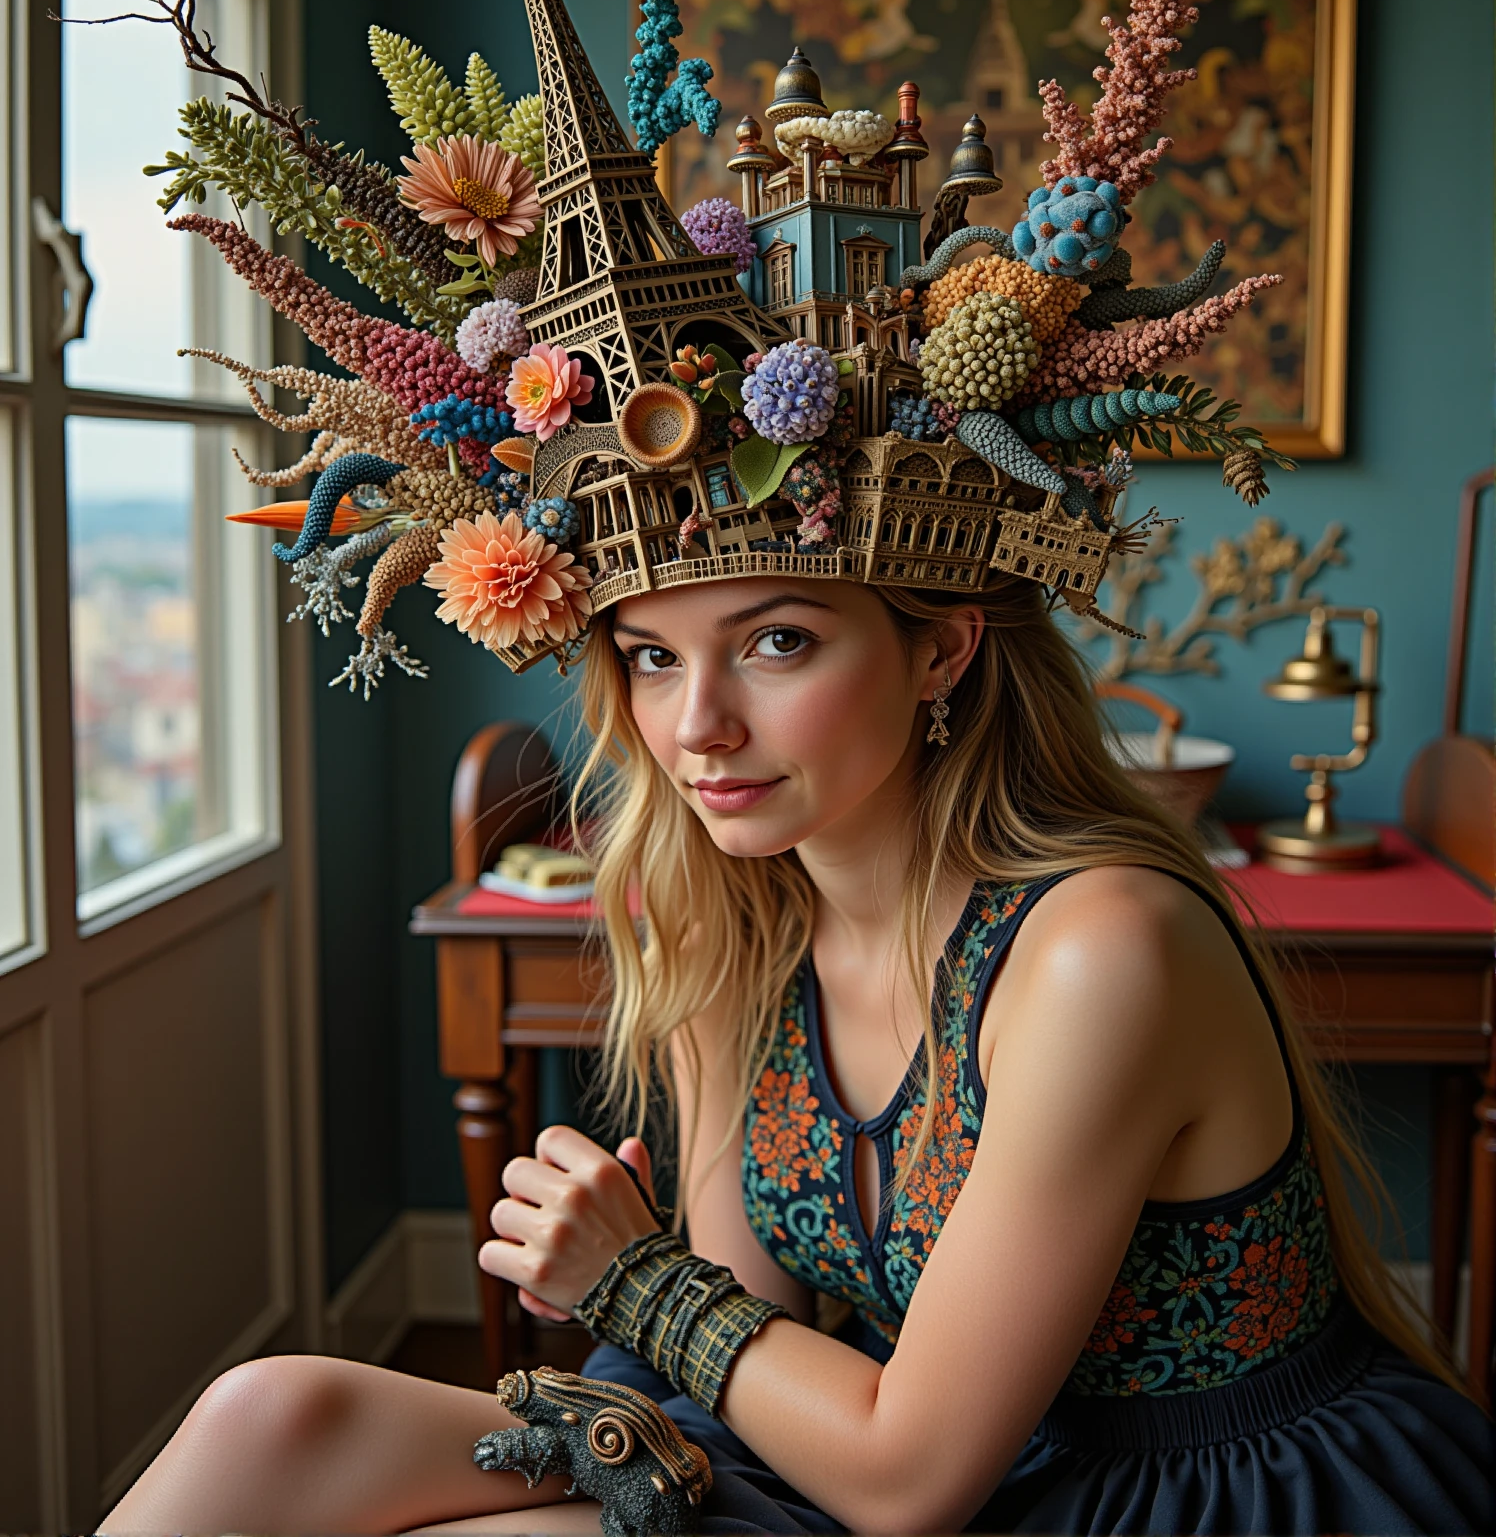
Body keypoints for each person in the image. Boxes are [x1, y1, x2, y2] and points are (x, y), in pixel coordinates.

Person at [104, 572, 1495, 1535]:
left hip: (1170, 1498)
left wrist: (631, 1279)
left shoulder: (1100, 951)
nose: (696, 724)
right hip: (867, 1455)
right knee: (266, 1417)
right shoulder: (735, 929)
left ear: (942, 648)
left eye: (774, 643)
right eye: (653, 656)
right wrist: (659, 1301)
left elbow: (907, 1478)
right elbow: (756, 1336)